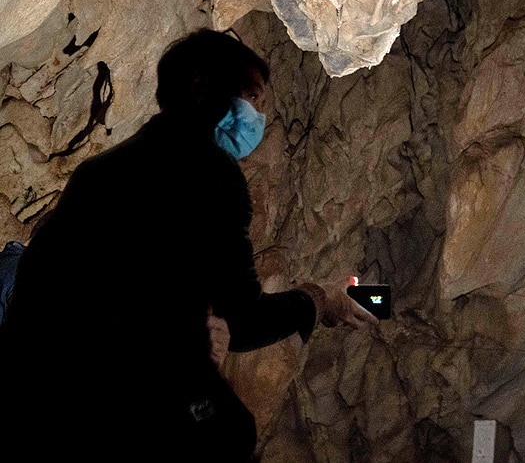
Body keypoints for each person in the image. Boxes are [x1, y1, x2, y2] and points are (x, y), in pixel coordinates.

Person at [0, 30, 376, 462]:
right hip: (87, 399)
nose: (258, 115)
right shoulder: (210, 172)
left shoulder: (101, 168)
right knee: (231, 433)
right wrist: (319, 298)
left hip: (25, 380)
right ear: (201, 85)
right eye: (251, 97)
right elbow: (246, 319)